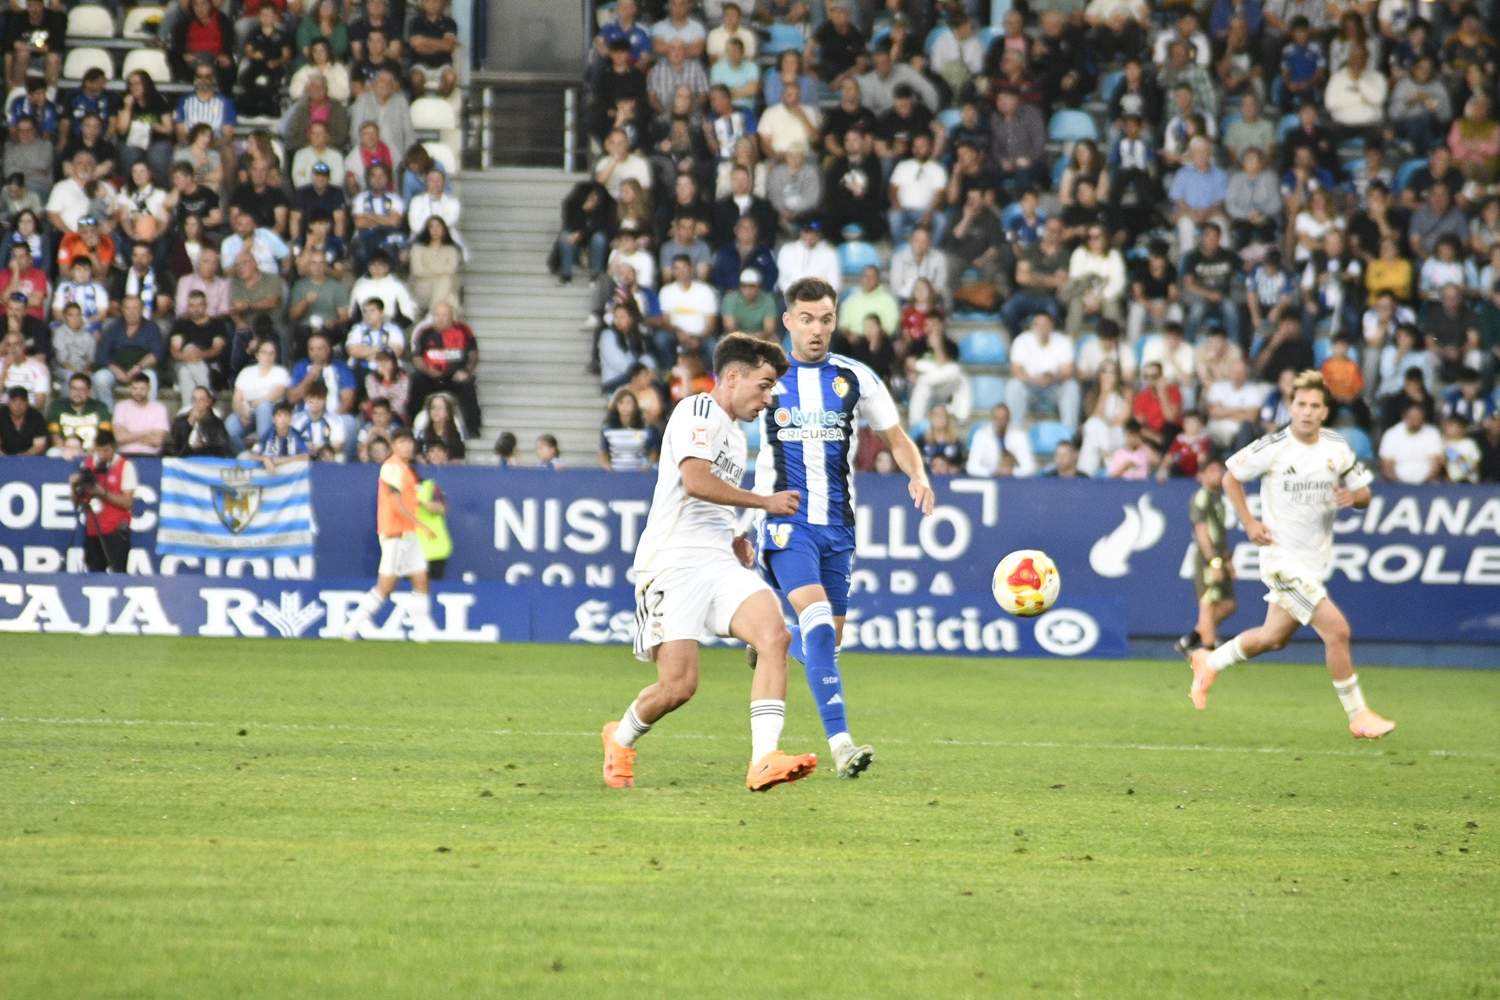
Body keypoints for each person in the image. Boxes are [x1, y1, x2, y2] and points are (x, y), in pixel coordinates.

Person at [602, 332, 817, 793]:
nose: (768, 397)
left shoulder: (738, 440)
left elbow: (713, 501)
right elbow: (695, 481)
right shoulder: (697, 411)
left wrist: (738, 535)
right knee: (678, 686)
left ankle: (763, 759)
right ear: (733, 376)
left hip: (719, 561)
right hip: (673, 561)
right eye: (763, 385)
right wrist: (763, 502)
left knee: (774, 636)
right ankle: (619, 739)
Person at [748, 278, 936, 779]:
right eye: (806, 319)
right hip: (786, 521)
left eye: (825, 319)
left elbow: (896, 437)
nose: (816, 329)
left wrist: (916, 473)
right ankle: (841, 744)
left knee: (827, 641)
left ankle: (771, 635)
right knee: (816, 620)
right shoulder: (764, 379)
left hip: (838, 528)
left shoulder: (854, 378)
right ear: (787, 321)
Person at [1188, 370, 1395, 740]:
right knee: (1338, 630)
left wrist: (1354, 498)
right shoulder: (1274, 446)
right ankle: (1358, 714)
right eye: (1301, 404)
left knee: (1272, 638)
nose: (1307, 412)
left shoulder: (1337, 446)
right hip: (1281, 561)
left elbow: (1363, 492)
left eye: (1315, 406)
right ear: (1290, 406)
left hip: (1314, 563)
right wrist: (1250, 522)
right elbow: (1230, 477)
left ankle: (1209, 661)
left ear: (1325, 412)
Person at [340, 429, 442, 641]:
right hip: (394, 533)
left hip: (409, 534)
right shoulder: (392, 467)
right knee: (385, 586)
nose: (407, 446)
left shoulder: (407, 469)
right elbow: (396, 504)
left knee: (421, 580)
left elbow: (410, 500)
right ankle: (351, 626)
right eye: (402, 442)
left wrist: (424, 508)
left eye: (409, 442)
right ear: (394, 445)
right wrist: (422, 525)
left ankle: (422, 633)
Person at [1176, 454, 1237, 657]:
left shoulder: (1217, 497)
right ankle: (1208, 651)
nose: (1218, 475)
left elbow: (1219, 532)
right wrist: (1213, 561)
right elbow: (1202, 532)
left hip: (1219, 557)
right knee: (1208, 603)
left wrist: (1227, 560)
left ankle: (1191, 640)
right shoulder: (1201, 496)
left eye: (1219, 470)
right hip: (1207, 559)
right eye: (1211, 471)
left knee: (1228, 604)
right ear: (1200, 475)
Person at [167, 386, 232, 458]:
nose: (197, 403)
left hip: (207, 461)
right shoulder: (181, 421)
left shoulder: (217, 423)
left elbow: (223, 449)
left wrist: (203, 447)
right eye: (194, 399)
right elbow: (175, 448)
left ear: (208, 402)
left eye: (201, 400)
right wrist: (189, 424)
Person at [1, 383, 46, 454]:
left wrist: (23, 457)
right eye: (14, 401)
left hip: (30, 459)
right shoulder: (1, 415)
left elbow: (39, 445)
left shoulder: (36, 417)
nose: (18, 405)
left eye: (22, 401)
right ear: (8, 402)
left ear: (27, 403)